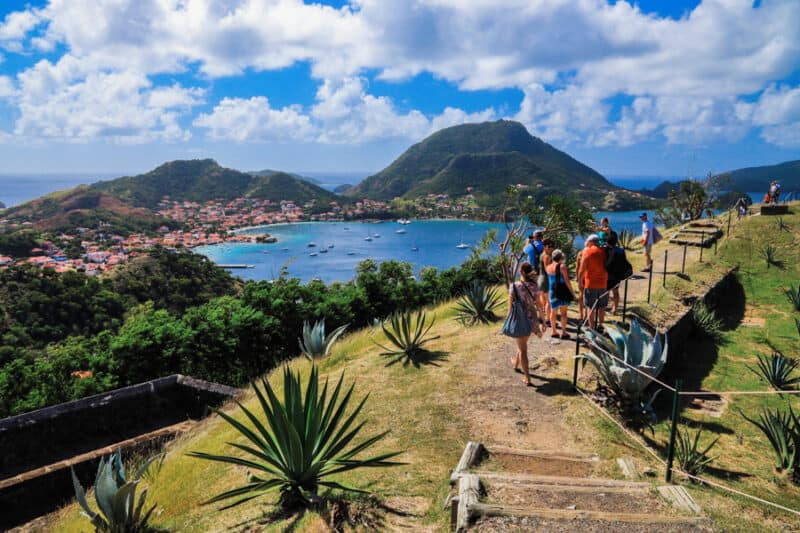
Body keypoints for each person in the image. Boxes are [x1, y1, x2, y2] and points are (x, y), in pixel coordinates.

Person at [507, 262, 543, 386]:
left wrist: (509, 319)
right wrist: (542, 321)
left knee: (523, 349)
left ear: (521, 272)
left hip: (519, 320)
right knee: (522, 344)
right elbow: (539, 305)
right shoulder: (534, 286)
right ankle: (515, 364)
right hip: (531, 320)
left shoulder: (514, 286)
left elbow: (510, 306)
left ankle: (527, 378)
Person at [578, 234, 608, 329]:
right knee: (602, 306)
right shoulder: (605, 251)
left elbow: (582, 270)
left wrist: (579, 282)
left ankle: (591, 328)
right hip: (604, 283)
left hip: (590, 283)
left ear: (591, 242)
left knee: (590, 307)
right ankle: (600, 325)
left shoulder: (587, 252)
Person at [546, 249, 575, 339]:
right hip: (562, 292)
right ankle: (563, 332)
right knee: (564, 313)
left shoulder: (548, 267)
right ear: (561, 257)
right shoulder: (562, 266)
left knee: (553, 312)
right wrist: (572, 293)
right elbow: (567, 281)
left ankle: (554, 331)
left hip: (552, 291)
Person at [605, 232, 627, 314]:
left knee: (606, 291)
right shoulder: (621, 250)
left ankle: (605, 306)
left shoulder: (606, 250)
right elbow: (624, 262)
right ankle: (614, 309)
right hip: (617, 274)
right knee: (615, 291)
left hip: (607, 274)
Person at [537, 238, 554, 324]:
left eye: (552, 246)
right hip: (545, 279)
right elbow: (548, 269)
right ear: (545, 247)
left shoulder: (542, 254)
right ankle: (547, 319)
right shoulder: (546, 256)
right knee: (548, 301)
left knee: (542, 300)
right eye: (549, 246)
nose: (551, 248)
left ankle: (541, 317)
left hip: (541, 278)